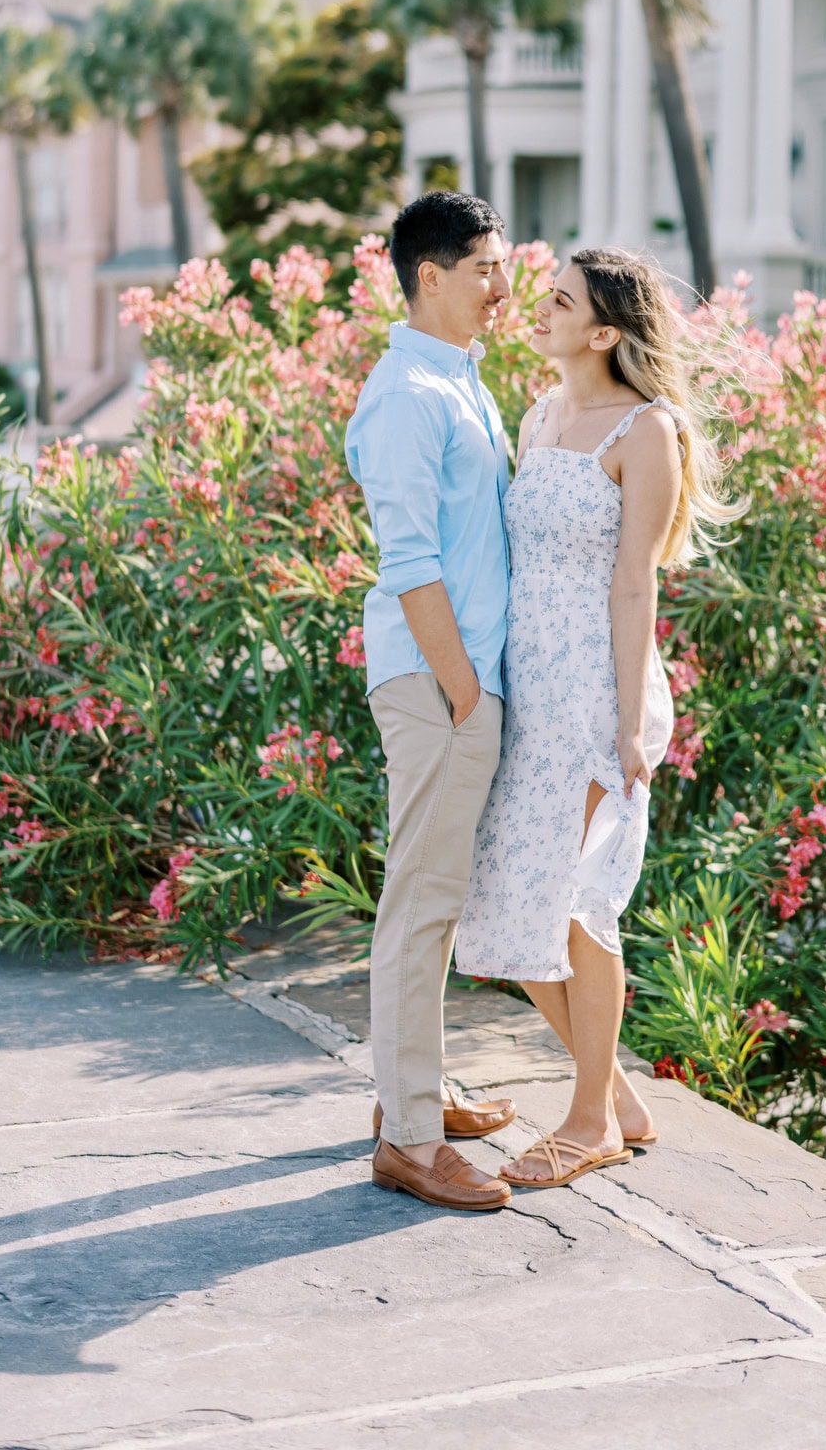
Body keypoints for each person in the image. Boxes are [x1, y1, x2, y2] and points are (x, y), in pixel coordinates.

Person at [454, 247, 730, 1189]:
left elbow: (635, 583)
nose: (539, 307)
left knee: (578, 905)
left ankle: (589, 1121)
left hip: (597, 698)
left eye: (561, 301)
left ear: (606, 332)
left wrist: (625, 723)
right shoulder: (539, 415)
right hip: (528, 694)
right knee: (508, 903)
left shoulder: (648, 431)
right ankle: (620, 1099)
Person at [344, 190, 519, 1214]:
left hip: (458, 679)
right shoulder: (406, 393)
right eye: (486, 268)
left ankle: (412, 1095)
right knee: (418, 905)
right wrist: (463, 690)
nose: (502, 287)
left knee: (434, 899)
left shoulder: (456, 377)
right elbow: (408, 561)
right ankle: (409, 1140)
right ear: (430, 275)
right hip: (436, 680)